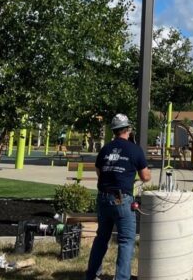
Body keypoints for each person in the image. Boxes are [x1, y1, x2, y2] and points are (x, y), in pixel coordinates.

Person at [84, 113, 151, 280]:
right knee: (126, 241)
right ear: (128, 129)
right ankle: (121, 278)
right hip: (122, 199)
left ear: (114, 131)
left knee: (101, 238)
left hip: (103, 199)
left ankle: (91, 275)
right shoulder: (134, 149)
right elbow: (145, 177)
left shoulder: (106, 148)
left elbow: (99, 171)